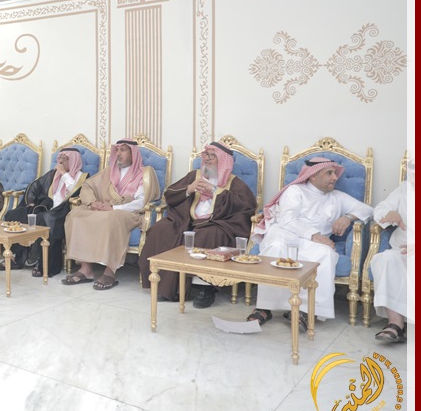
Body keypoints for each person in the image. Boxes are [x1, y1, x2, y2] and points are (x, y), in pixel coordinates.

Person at [247, 157, 373, 329]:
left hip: (313, 242)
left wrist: (348, 217)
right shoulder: (295, 191)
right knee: (275, 247)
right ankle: (265, 307)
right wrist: (314, 235)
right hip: (286, 235)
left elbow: (368, 210)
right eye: (329, 173)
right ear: (313, 175)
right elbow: (288, 219)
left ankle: (305, 310)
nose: (335, 177)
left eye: (335, 173)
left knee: (326, 254)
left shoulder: (337, 197)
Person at [138, 141, 257, 305]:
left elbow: (246, 206)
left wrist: (215, 192)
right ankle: (168, 286)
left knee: (208, 235)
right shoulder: (195, 176)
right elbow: (170, 194)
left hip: (216, 223)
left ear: (223, 161)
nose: (207, 159)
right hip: (186, 220)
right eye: (206, 155)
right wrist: (189, 189)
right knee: (161, 229)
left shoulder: (234, 183)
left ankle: (206, 288)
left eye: (212, 156)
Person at [63, 139, 159, 289]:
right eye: (117, 150)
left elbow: (141, 202)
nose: (118, 154)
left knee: (112, 218)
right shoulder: (109, 171)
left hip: (128, 212)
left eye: (123, 150)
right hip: (104, 209)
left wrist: (113, 208)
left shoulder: (145, 173)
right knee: (76, 215)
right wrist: (92, 203)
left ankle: (110, 271)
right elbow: (87, 186)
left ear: (133, 153)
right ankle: (86, 269)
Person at [0, 147, 87, 277]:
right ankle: (17, 257)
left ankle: (42, 262)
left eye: (64, 159)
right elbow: (35, 185)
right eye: (59, 158)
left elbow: (76, 191)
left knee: (43, 219)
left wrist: (64, 174)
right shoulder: (53, 174)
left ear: (73, 160)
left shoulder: (81, 177)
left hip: (63, 211)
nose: (60, 162)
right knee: (14, 214)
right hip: (47, 207)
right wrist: (31, 201)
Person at [369, 159, 413, 342]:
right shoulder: (404, 188)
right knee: (384, 259)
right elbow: (381, 208)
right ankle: (395, 324)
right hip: (402, 249)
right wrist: (390, 215)